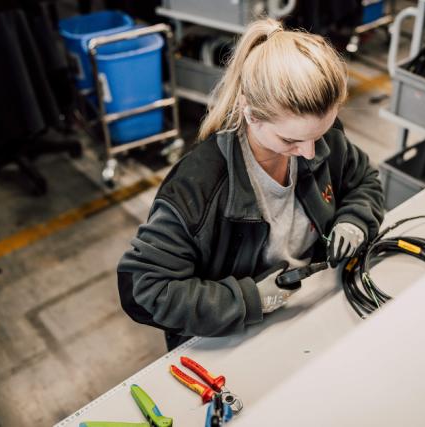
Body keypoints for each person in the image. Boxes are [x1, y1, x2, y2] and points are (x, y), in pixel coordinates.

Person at [118, 18, 384, 350]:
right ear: (249, 112)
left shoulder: (318, 137)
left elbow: (364, 180)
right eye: (290, 140)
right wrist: (248, 299)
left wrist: (355, 218)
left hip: (312, 309)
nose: (309, 152)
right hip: (233, 338)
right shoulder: (197, 188)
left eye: (317, 135)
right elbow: (146, 289)